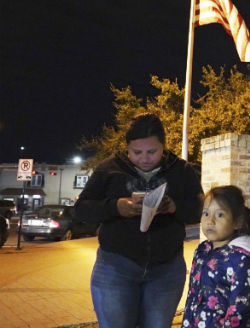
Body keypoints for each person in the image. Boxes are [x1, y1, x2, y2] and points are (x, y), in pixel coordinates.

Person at [75, 112, 204, 328]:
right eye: (137, 152)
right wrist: (115, 207)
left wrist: (174, 206)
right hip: (115, 267)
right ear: (127, 148)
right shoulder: (109, 169)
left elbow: (199, 209)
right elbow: (81, 210)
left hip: (166, 269)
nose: (144, 158)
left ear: (164, 146)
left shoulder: (181, 170)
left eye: (152, 151)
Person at [181, 185, 250, 328]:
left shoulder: (241, 260)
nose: (210, 221)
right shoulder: (202, 250)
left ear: (237, 222)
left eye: (220, 215)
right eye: (206, 213)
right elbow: (193, 297)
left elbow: (243, 311)